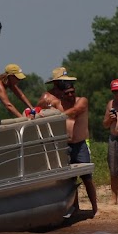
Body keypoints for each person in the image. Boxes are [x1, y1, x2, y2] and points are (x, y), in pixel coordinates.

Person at [39, 67, 98, 216]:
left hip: (80, 144)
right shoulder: (57, 103)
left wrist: (56, 115)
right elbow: (38, 107)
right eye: (67, 93)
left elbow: (75, 111)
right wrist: (38, 110)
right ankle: (75, 207)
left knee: (87, 177)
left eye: (73, 92)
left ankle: (95, 207)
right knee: (70, 179)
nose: (71, 95)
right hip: (65, 145)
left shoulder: (81, 101)